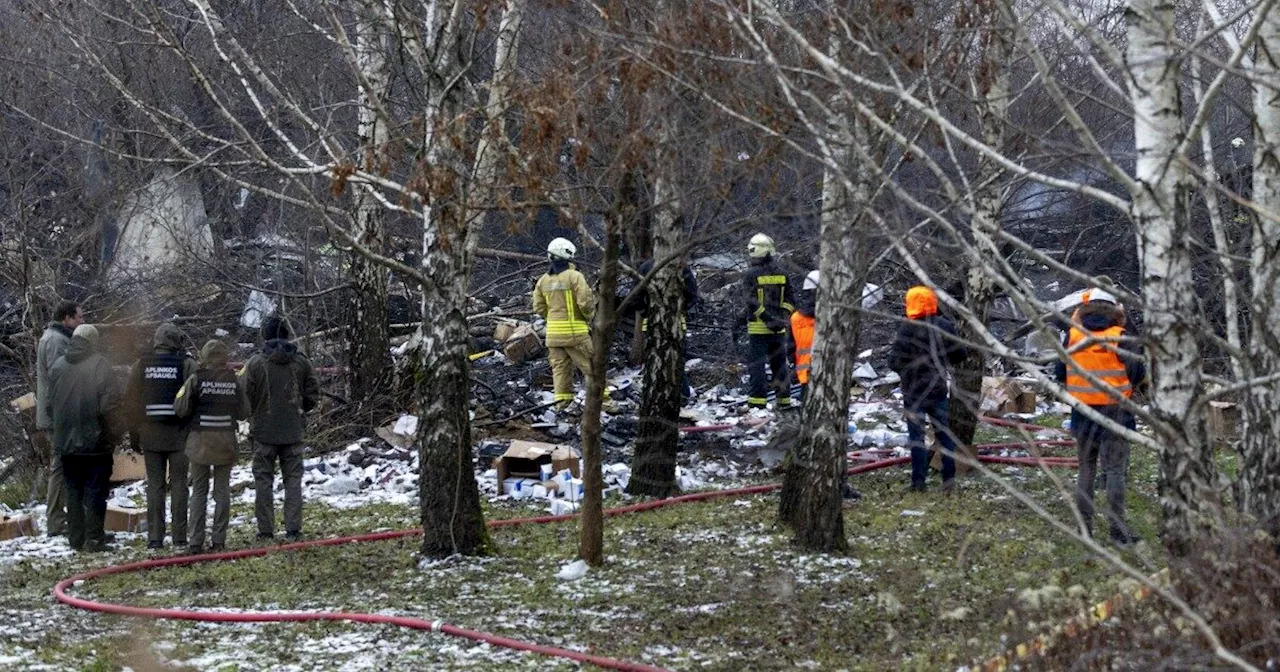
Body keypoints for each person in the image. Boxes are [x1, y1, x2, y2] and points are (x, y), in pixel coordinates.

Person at [1053, 288, 1145, 547]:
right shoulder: (1121, 337)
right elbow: (1137, 373)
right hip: (1116, 414)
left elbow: (1060, 372)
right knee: (1115, 471)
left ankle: (1085, 530)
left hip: (1082, 414)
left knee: (1086, 469)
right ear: (1115, 310)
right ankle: (1117, 531)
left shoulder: (1072, 335)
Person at [242, 316, 319, 542]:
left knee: (263, 482)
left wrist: (254, 414)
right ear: (286, 334)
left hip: (263, 433)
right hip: (293, 432)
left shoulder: (255, 363)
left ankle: (266, 531)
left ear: (264, 335)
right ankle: (293, 529)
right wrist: (300, 408)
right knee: (293, 481)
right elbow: (312, 392)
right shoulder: (301, 362)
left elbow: (245, 395)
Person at [45, 324, 121, 552]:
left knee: (73, 490)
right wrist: (112, 433)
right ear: (92, 341)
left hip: (66, 442)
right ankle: (95, 539)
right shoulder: (101, 364)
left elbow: (50, 406)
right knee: (96, 490)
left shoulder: (58, 366)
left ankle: (76, 538)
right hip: (95, 441)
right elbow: (110, 406)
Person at [887, 285, 966, 492]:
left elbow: (893, 361)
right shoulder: (944, 326)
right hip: (938, 389)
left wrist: (906, 371)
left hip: (913, 392)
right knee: (945, 436)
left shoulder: (906, 328)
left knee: (917, 438)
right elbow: (960, 354)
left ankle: (918, 482)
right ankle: (949, 481)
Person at [126, 323, 197, 550]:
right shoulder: (186, 364)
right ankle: (179, 537)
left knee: (155, 486)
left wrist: (134, 433)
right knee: (179, 485)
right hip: (179, 435)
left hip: (150, 435)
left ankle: (155, 537)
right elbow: (195, 396)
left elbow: (132, 401)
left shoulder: (141, 365)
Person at [176, 339, 248, 554]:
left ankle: (195, 542)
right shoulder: (234, 381)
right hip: (226, 442)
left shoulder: (195, 379)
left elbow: (180, 407)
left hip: (199, 443)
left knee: (199, 491)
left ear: (204, 357)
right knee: (222, 492)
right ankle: (219, 541)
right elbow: (245, 412)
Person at [35, 301, 84, 536]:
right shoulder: (56, 341)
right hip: (59, 416)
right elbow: (59, 378)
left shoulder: (53, 337)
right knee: (60, 466)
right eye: (79, 318)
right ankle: (56, 521)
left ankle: (60, 518)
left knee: (62, 465)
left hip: (56, 414)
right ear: (66, 318)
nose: (82, 322)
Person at [532, 237, 596, 409]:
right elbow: (585, 303)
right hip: (575, 333)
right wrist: (589, 316)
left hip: (553, 336)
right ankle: (604, 404)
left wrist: (553, 319)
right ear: (568, 254)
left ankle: (561, 404)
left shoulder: (543, 280)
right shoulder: (575, 276)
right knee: (592, 369)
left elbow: (538, 307)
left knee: (560, 371)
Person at [738, 233, 794, 410]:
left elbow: (752, 303)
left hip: (758, 328)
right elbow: (791, 301)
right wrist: (781, 319)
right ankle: (784, 400)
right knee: (779, 365)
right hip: (779, 329)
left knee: (757, 366)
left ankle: (757, 402)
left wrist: (768, 320)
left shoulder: (750, 275)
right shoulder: (783, 274)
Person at [631, 256, 699, 401]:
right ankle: (683, 395)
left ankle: (656, 398)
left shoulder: (645, 267)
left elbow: (634, 296)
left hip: (651, 325)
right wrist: (681, 309)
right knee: (677, 361)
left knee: (653, 364)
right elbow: (693, 294)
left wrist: (645, 311)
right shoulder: (681, 266)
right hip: (676, 325)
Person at [790, 270, 819, 402]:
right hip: (826, 373)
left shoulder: (795, 318)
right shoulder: (830, 317)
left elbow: (790, 347)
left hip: (804, 373)